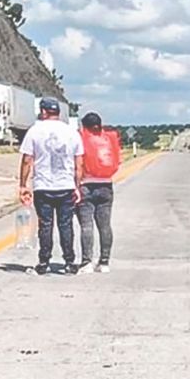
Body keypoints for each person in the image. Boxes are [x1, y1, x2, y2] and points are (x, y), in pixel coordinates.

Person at [19, 97, 85, 275]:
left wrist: (23, 185)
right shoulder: (72, 132)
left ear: (43, 111)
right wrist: (77, 186)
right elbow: (79, 163)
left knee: (45, 225)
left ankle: (43, 261)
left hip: (43, 185)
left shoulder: (34, 131)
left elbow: (27, 160)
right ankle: (70, 262)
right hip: (66, 185)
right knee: (66, 225)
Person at [77, 112, 121, 273]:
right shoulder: (109, 138)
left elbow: (79, 163)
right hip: (106, 186)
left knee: (86, 225)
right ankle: (104, 262)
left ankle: (86, 262)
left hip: (86, 185)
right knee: (105, 225)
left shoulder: (82, 138)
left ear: (84, 126)